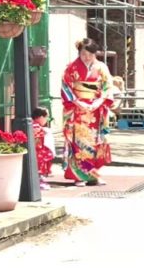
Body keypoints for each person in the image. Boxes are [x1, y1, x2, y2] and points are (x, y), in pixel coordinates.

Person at [61, 38, 113, 187]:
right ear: (79, 53)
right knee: (80, 144)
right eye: (84, 54)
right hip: (78, 109)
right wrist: (78, 102)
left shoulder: (101, 67)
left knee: (96, 143)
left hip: (96, 110)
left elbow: (107, 87)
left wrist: (98, 102)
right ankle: (79, 176)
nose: (87, 57)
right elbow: (66, 87)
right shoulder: (72, 67)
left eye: (90, 54)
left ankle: (93, 176)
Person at [32, 106, 55, 191]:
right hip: (38, 151)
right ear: (41, 117)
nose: (46, 119)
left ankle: (40, 179)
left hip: (38, 150)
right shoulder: (36, 127)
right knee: (42, 161)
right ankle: (39, 181)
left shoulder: (36, 126)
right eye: (46, 117)